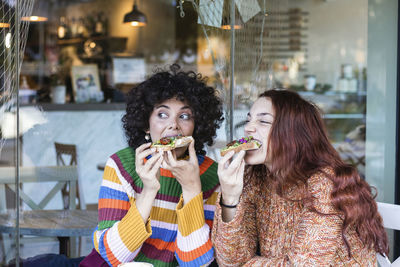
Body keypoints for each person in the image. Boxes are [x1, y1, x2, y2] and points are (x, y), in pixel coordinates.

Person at [212, 89, 388, 266]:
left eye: (263, 121)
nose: (248, 127)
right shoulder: (255, 178)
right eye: (249, 119)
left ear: (292, 134)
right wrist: (230, 198)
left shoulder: (323, 183)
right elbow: (230, 261)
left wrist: (248, 263)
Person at [80, 64, 223, 267]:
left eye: (184, 116)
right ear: (146, 124)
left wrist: (192, 189)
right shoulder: (122, 165)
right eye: (162, 115)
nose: (173, 125)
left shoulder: (211, 175)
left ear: (196, 126)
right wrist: (148, 192)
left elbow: (196, 264)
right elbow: (113, 256)